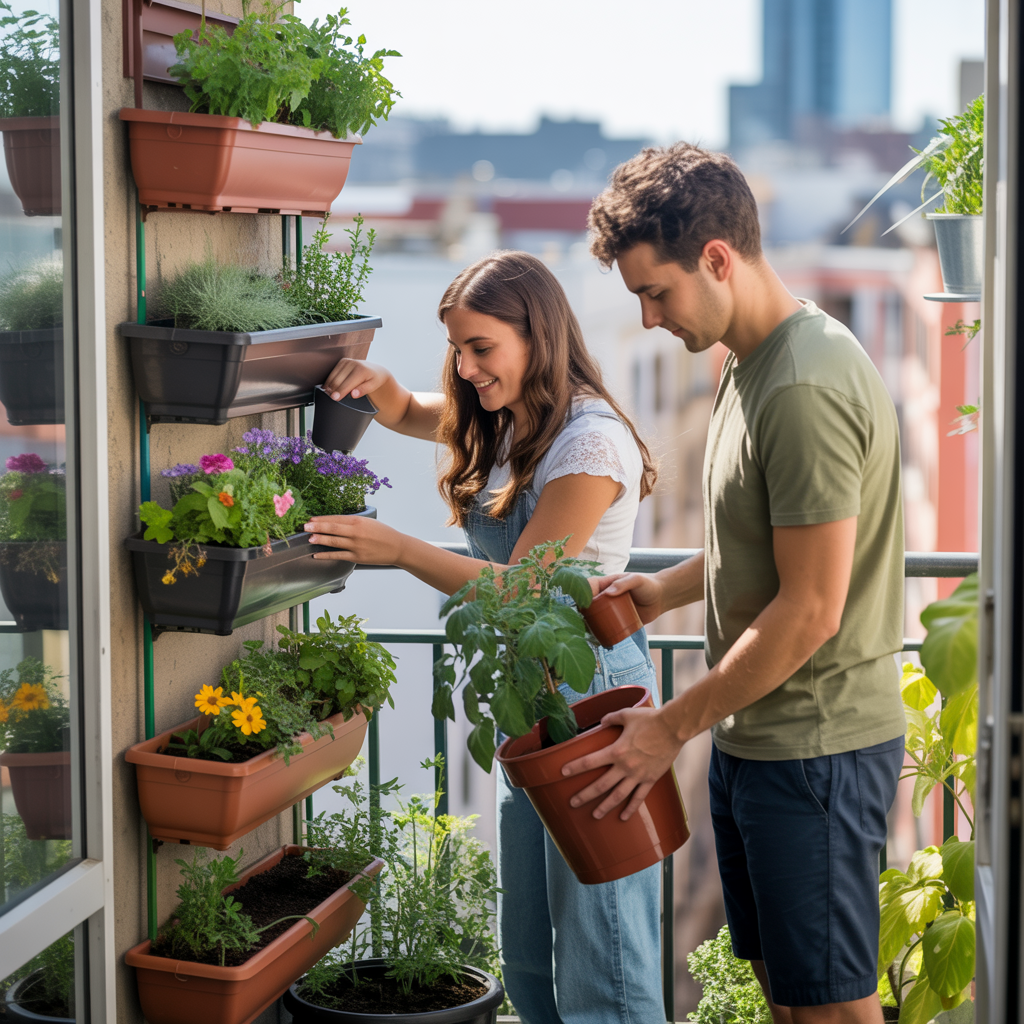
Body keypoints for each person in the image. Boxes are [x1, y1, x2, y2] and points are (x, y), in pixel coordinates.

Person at [564, 144, 906, 1024]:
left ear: (718, 258)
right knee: (789, 1000)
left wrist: (668, 730)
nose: (646, 319)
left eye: (657, 292)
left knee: (831, 1008)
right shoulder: (749, 364)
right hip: (760, 743)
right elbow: (767, 548)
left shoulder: (802, 382)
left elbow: (812, 607)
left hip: (817, 751)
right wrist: (662, 592)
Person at [305, 250, 666, 1024]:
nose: (467, 369)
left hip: (590, 692)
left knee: (605, 942)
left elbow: (526, 589)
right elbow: (410, 411)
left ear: (537, 337)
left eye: (482, 348)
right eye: (457, 350)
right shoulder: (511, 419)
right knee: (531, 940)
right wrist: (380, 389)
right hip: (529, 694)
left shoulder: (589, 444)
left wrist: (398, 550)